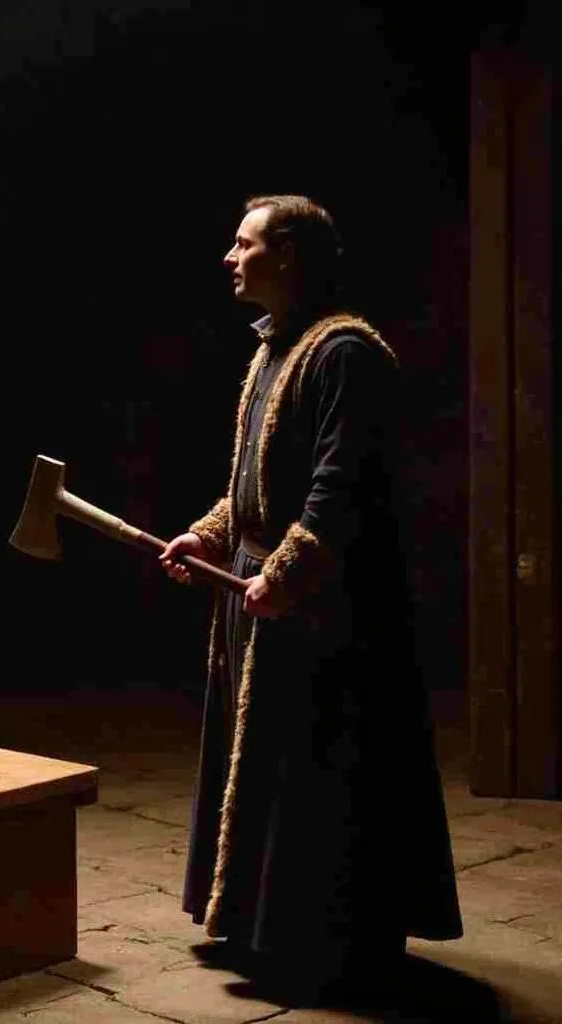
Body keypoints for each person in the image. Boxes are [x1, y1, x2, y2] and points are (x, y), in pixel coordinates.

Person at [160, 195, 462, 1000]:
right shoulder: (273, 351)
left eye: (244, 242)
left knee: (319, 768)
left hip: (329, 609)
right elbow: (254, 479)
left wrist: (286, 575)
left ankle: (324, 943)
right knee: (267, 763)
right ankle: (265, 928)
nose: (229, 256)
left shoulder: (345, 353)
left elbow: (336, 487)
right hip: (262, 591)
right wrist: (209, 535)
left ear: (287, 255)